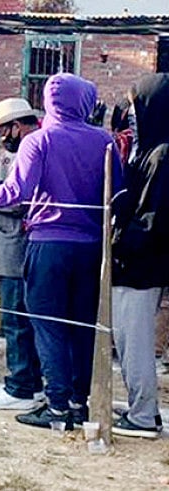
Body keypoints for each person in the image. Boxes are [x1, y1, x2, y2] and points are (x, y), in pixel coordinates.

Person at [0, 73, 121, 428]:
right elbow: (117, 195)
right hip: (92, 247)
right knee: (81, 328)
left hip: (48, 243)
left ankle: (55, 406)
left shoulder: (39, 140)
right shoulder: (105, 141)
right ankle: (78, 404)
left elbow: (15, 192)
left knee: (48, 327)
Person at [110, 73, 169, 438]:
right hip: (137, 261)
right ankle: (141, 404)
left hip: (140, 264)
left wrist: (118, 238)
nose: (132, 114)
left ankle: (144, 414)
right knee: (129, 337)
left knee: (134, 340)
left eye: (136, 106)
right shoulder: (150, 150)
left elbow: (154, 219)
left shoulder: (162, 155)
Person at [0, 98, 45, 411]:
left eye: (3, 130)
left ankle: (20, 386)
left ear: (16, 126)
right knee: (22, 319)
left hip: (16, 244)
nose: (1, 137)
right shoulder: (24, 146)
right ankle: (31, 382)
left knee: (16, 321)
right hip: (11, 243)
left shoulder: (32, 147)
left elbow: (21, 199)